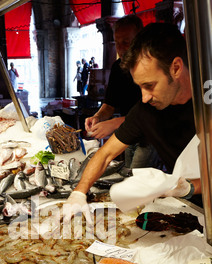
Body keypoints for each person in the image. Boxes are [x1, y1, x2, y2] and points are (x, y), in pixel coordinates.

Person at [66, 22, 201, 213]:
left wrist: (189, 187)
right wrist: (79, 192)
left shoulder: (205, 105)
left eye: (150, 85)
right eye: (140, 87)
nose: (144, 97)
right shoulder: (145, 110)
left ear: (176, 68)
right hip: (190, 210)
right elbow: (105, 155)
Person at [85, 15, 161, 169]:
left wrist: (114, 123)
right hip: (129, 133)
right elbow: (110, 104)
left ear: (139, 39)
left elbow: (155, 111)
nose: (120, 48)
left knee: (137, 179)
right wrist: (98, 117)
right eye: (117, 43)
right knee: (127, 175)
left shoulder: (153, 66)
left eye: (126, 42)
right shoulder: (117, 67)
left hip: (150, 134)